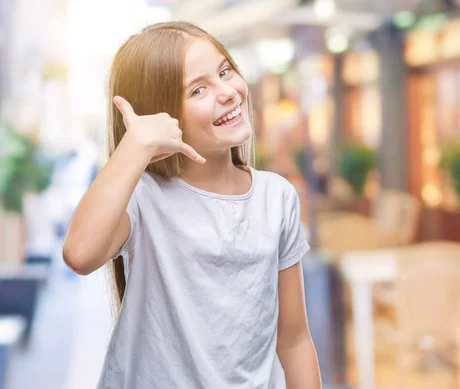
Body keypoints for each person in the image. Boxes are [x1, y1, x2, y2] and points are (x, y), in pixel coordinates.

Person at [62, 21, 321, 389]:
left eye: (225, 71)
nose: (227, 92)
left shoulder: (276, 197)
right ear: (161, 115)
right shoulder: (142, 195)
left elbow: (294, 339)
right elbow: (79, 253)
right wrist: (134, 147)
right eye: (198, 89)